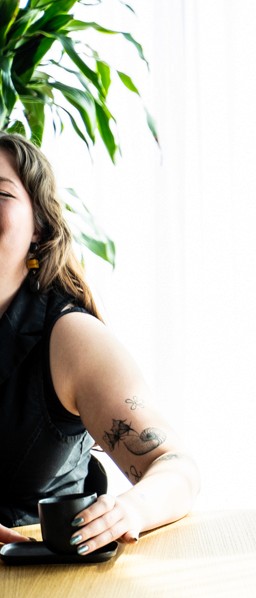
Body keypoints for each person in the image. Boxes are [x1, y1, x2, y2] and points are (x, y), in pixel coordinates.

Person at [0, 133, 200, 555]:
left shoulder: (71, 338)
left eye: (0, 193)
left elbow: (177, 469)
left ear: (38, 226)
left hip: (45, 588)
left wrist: (129, 511)